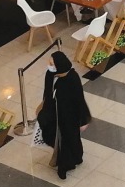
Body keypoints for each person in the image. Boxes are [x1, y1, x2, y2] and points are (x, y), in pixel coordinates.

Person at [37, 50, 91, 179]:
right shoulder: (51, 75)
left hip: (69, 118)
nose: (49, 65)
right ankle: (73, 158)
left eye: (52, 63)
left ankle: (65, 166)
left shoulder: (72, 78)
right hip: (55, 114)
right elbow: (47, 93)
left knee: (68, 140)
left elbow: (79, 100)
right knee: (57, 138)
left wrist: (83, 121)